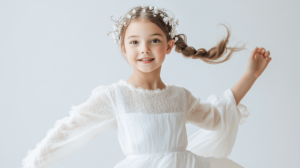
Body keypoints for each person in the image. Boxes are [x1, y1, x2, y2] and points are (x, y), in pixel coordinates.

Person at [22, 5, 272, 168]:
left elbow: (217, 117)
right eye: (134, 42)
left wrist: (251, 75)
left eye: (154, 40)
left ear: (169, 46)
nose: (144, 48)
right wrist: (32, 163)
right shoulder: (115, 97)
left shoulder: (180, 97)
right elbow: (69, 129)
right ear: (123, 47)